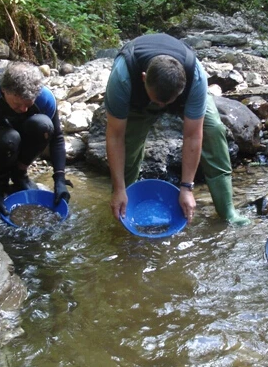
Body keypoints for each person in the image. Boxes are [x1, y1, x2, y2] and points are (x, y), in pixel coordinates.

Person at [104, 33, 250, 227]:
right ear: (144, 78)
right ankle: (124, 206)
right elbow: (115, 136)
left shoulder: (195, 77)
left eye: (167, 103)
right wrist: (119, 189)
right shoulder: (122, 77)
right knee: (129, 144)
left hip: (180, 93)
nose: (162, 107)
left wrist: (187, 187)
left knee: (213, 129)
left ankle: (227, 209)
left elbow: (193, 136)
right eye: (158, 102)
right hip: (137, 102)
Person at [0, 61, 72, 220]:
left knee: (44, 126)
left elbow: (57, 139)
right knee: (9, 138)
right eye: (18, 104)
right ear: (5, 90)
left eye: (29, 104)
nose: (24, 110)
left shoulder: (45, 97)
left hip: (21, 143)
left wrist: (59, 178)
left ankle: (20, 173)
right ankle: (1, 179)